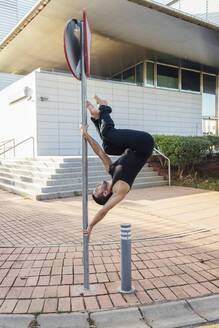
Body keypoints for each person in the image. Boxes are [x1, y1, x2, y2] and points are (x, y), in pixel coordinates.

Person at [80, 95, 154, 241]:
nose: (96, 186)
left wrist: (85, 134)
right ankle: (104, 107)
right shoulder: (121, 189)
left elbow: (99, 152)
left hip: (133, 146)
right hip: (144, 144)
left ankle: (96, 117)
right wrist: (91, 226)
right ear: (106, 193)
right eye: (97, 190)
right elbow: (103, 211)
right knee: (108, 133)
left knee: (107, 146)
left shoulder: (111, 170)